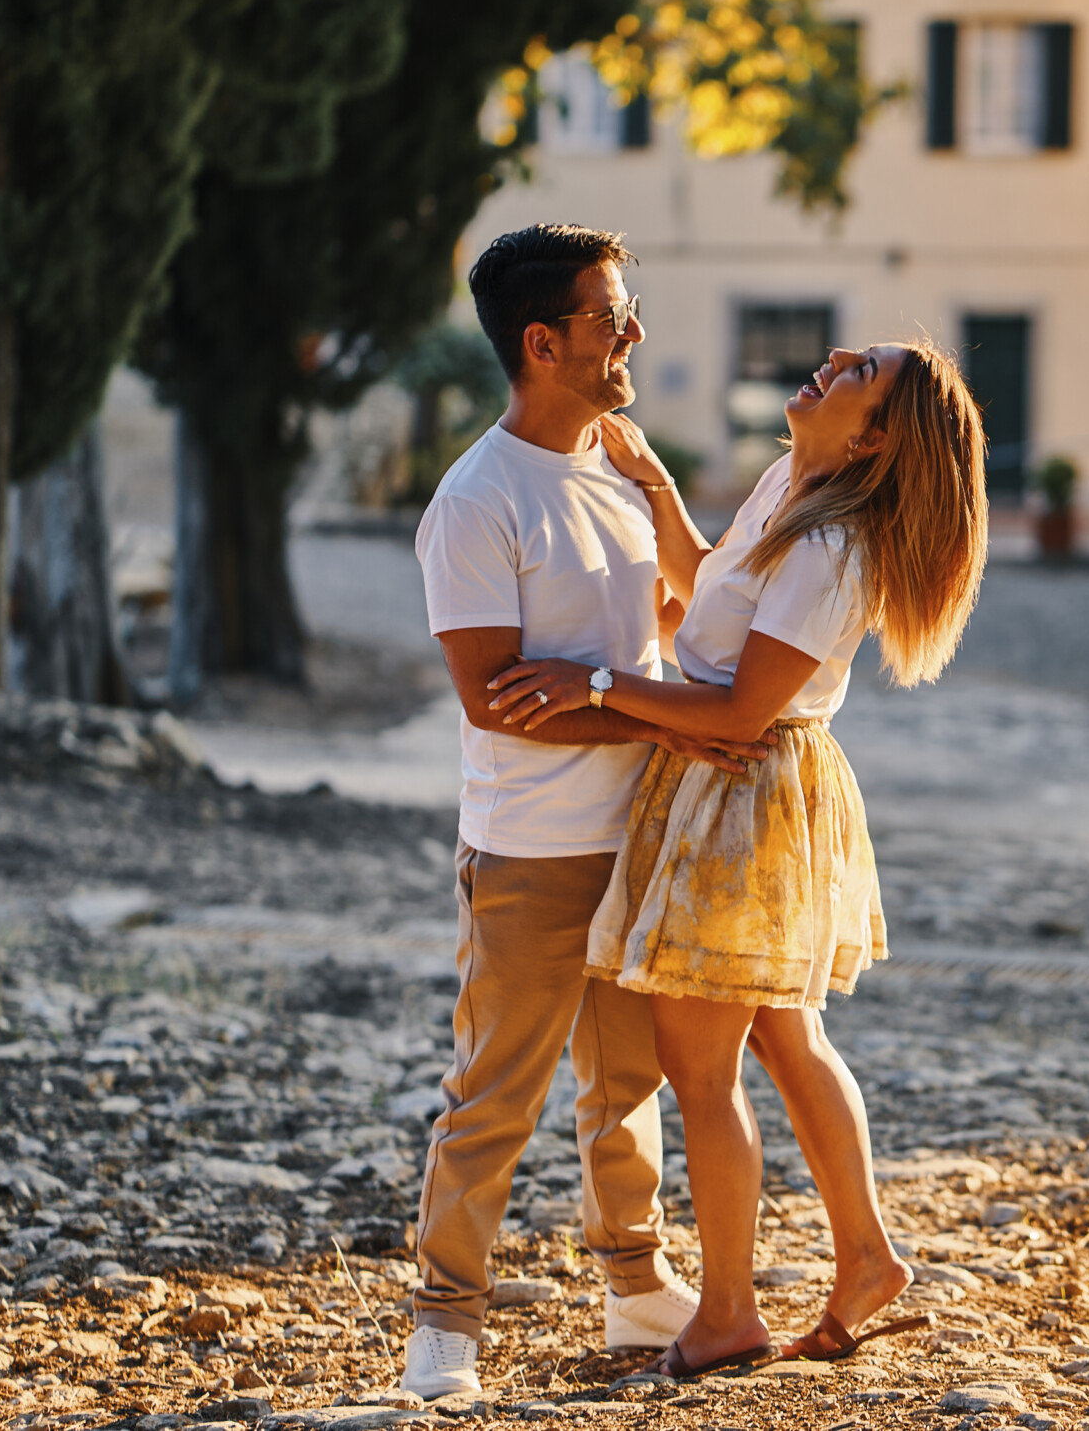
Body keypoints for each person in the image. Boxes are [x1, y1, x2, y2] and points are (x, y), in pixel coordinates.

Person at [487, 337, 989, 1379]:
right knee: (782, 1041)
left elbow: (742, 706)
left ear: (875, 438)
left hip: (743, 790)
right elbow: (709, 592)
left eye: (861, 375)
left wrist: (589, 686)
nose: (835, 358)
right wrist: (660, 490)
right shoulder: (791, 485)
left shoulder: (834, 546)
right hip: (734, 783)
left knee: (702, 1068)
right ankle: (865, 1257)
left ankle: (725, 1312)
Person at [400, 224, 770, 1400]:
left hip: (645, 834)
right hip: (532, 851)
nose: (636, 333)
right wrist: (666, 717)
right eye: (614, 317)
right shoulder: (476, 500)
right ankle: (442, 1327)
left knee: (631, 1083)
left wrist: (656, 482)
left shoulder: (619, 463)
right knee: (494, 1093)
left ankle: (632, 1282)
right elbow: (495, 701)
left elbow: (700, 603)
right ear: (544, 341)